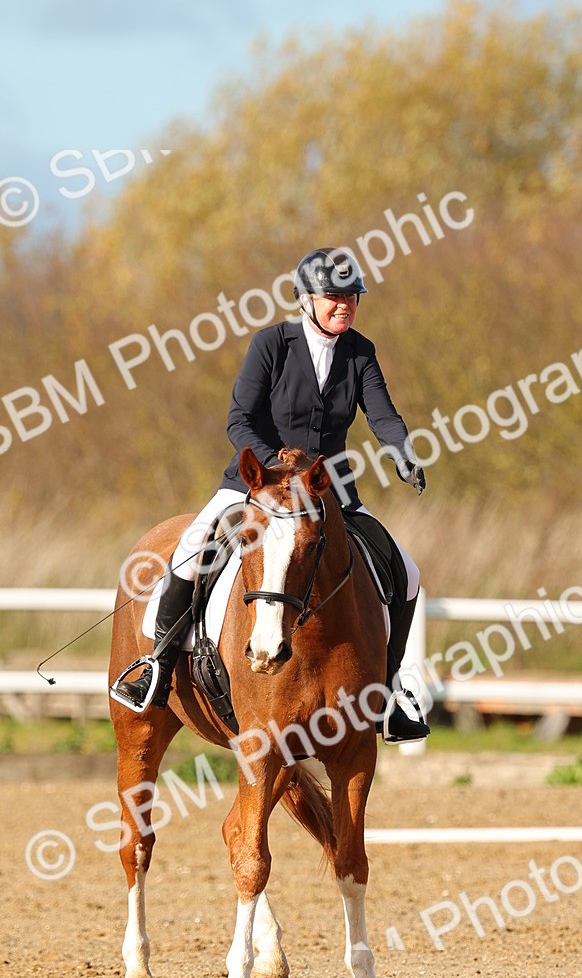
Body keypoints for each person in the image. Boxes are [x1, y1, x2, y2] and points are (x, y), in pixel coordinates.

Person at [112, 247, 430, 742]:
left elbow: (381, 413)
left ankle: (387, 693)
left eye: (351, 295)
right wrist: (271, 466)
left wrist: (402, 450)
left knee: (405, 571)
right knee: (190, 552)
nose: (344, 303)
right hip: (258, 482)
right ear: (306, 299)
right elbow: (239, 418)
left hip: (328, 491)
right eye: (333, 295)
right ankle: (156, 665)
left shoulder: (360, 352)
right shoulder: (272, 344)